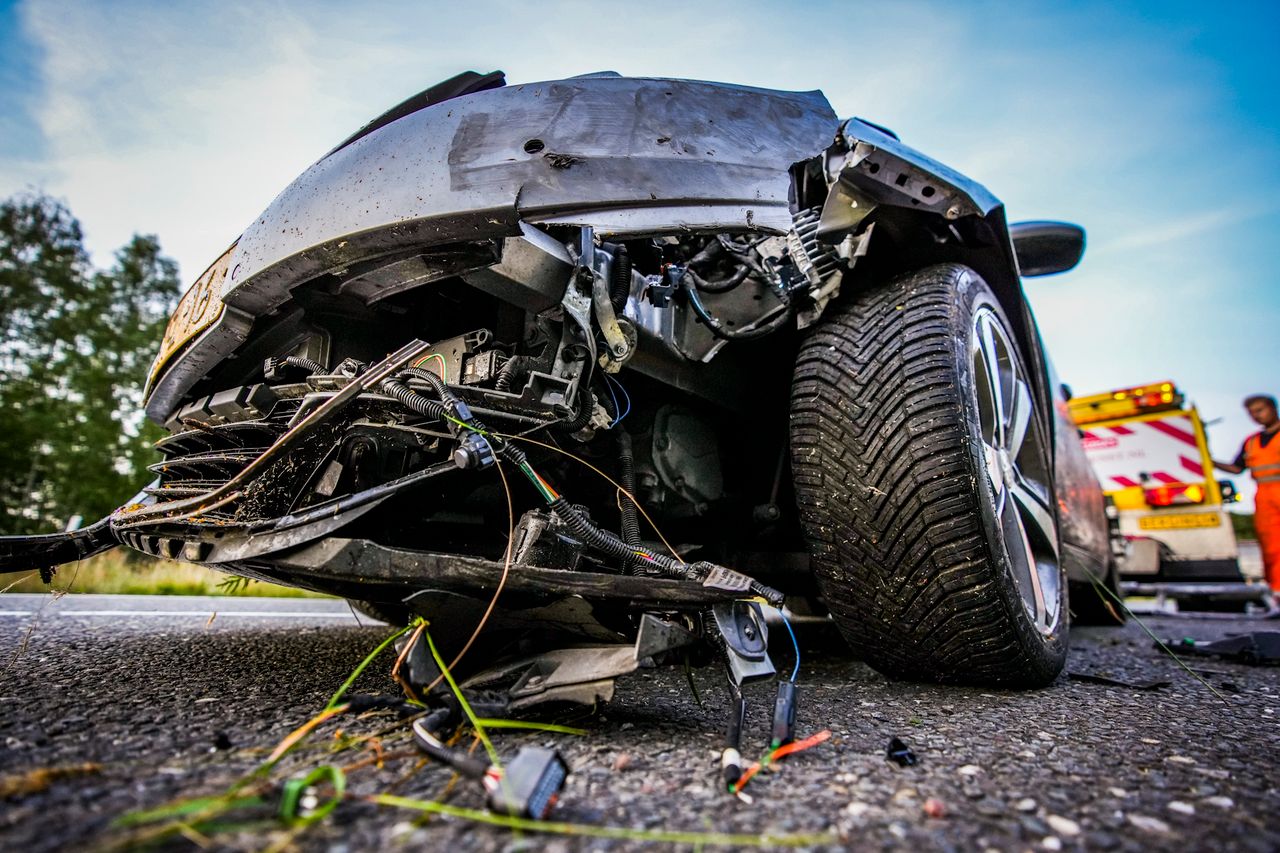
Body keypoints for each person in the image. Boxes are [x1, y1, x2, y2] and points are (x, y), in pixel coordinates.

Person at [1215, 394, 1280, 592]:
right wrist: (1209, 461)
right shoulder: (1251, 442)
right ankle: (1276, 591)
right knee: (1271, 548)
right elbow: (1237, 468)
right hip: (1264, 498)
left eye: (1260, 410)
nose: (1256, 416)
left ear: (1273, 408)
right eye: (1252, 413)